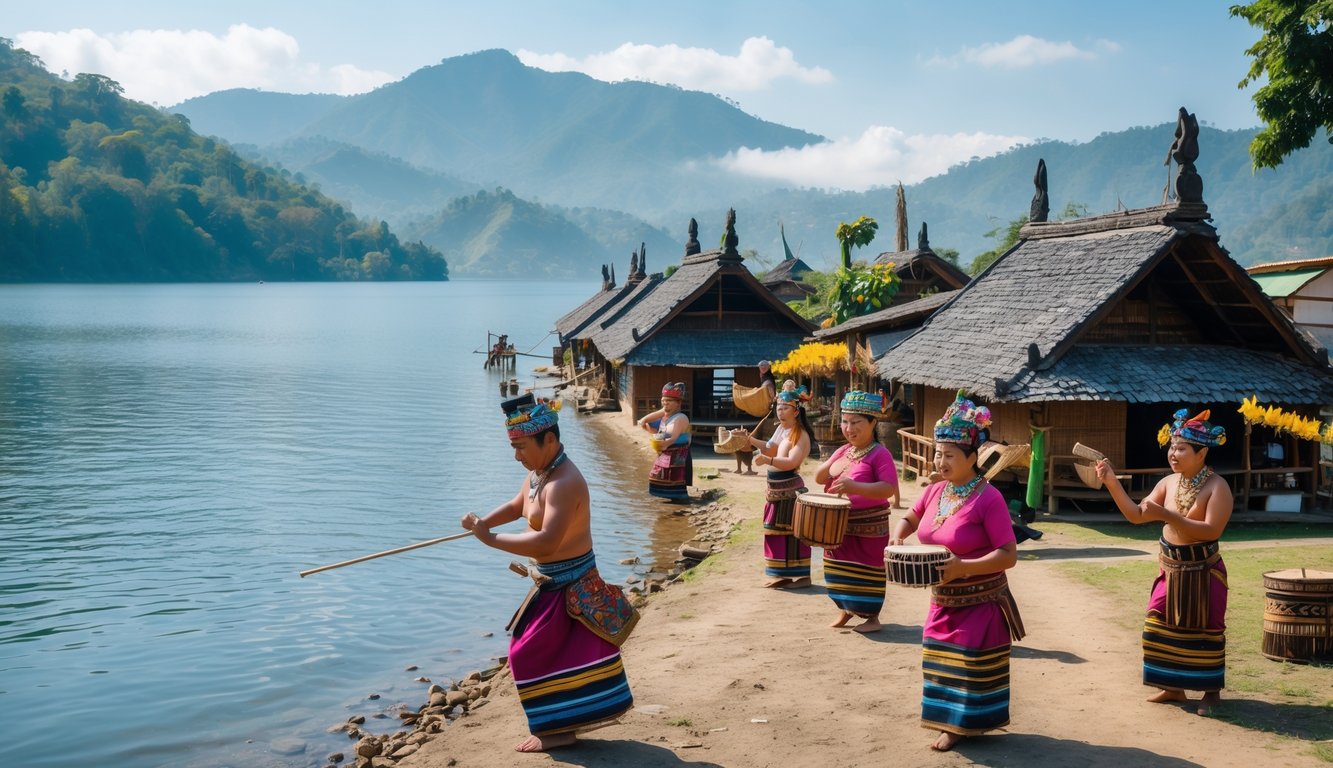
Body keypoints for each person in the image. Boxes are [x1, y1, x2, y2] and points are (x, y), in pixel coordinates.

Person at [462, 394, 637, 752]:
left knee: (526, 653)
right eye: (514, 447)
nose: (517, 456)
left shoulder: (564, 482)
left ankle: (557, 731)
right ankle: (558, 728)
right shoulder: (539, 474)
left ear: (550, 440)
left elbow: (545, 542)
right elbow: (517, 505)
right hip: (551, 584)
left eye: (522, 446)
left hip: (572, 584)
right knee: (548, 653)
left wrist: (490, 539)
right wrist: (483, 522)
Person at [889, 391, 1023, 752]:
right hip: (942, 597)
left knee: (968, 663)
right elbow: (910, 517)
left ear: (972, 457)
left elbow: (1008, 554)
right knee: (937, 656)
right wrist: (899, 536)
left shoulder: (988, 497)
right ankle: (950, 721)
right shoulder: (936, 491)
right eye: (937, 452)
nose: (940, 460)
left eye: (949, 455)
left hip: (980, 600)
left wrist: (964, 567)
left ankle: (960, 726)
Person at [1094, 408, 1231, 716]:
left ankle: (1211, 692)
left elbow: (1212, 530)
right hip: (1170, 568)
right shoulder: (1168, 483)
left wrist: (1169, 515)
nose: (1173, 453)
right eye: (1172, 446)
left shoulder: (1217, 487)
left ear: (1202, 452)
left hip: (1204, 570)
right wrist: (1112, 482)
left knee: (1206, 629)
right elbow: (1136, 514)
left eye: (1181, 448)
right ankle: (1172, 686)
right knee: (1158, 622)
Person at [813, 390, 899, 633]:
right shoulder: (843, 450)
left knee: (866, 571)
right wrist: (831, 464)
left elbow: (888, 489)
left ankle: (872, 618)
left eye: (855, 422)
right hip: (840, 524)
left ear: (872, 423)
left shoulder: (880, 454)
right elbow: (820, 477)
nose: (848, 428)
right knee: (836, 568)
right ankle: (845, 610)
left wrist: (854, 486)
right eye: (845, 421)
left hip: (869, 526)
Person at [744, 387, 815, 588]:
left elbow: (792, 461)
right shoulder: (781, 429)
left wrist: (768, 459)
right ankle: (780, 575)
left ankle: (802, 577)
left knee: (792, 534)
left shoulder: (800, 435)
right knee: (774, 532)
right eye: (778, 407)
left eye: (785, 408)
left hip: (790, 491)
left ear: (796, 411)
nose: (780, 411)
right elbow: (769, 446)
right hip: (775, 490)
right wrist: (749, 440)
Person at [636, 382, 692, 501]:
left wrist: (663, 444)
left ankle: (681, 501)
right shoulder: (665, 416)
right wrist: (645, 425)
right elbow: (655, 430)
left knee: (676, 479)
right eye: (664, 400)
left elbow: (673, 438)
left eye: (669, 401)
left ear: (678, 403)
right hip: (665, 452)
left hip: (678, 454)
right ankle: (670, 504)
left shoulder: (680, 418)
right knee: (658, 476)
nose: (665, 403)